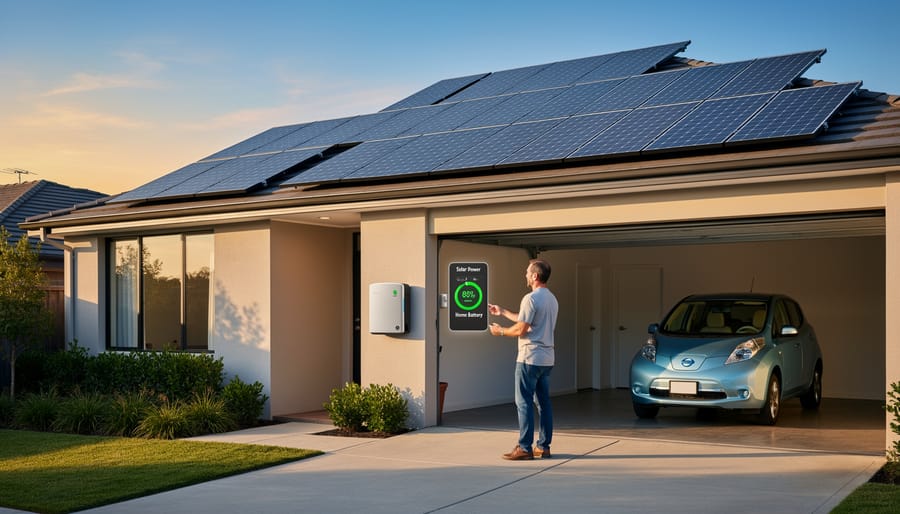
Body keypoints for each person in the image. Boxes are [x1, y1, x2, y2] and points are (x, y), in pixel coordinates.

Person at [488, 258, 559, 461]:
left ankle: (524, 447)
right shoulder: (552, 299)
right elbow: (527, 320)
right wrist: (502, 311)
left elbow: (522, 329)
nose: (525, 275)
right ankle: (543, 447)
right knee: (544, 404)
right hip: (547, 359)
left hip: (529, 357)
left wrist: (500, 331)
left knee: (524, 403)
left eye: (528, 272)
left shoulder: (530, 298)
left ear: (535, 276)